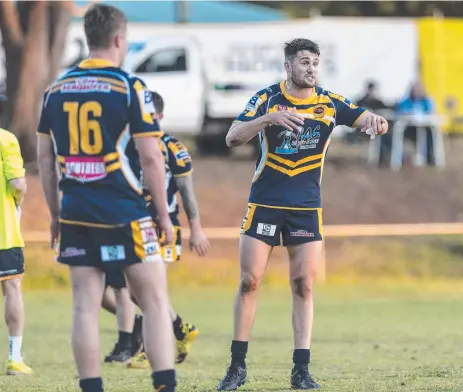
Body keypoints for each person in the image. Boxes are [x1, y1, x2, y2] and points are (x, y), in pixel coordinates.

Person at [216, 38, 387, 391]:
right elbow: (233, 137)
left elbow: (363, 116)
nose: (311, 69)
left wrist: (376, 121)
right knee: (249, 282)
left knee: (304, 285)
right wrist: (268, 119)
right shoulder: (267, 99)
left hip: (306, 207)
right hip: (265, 202)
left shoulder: (329, 102)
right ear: (288, 67)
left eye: (315, 63)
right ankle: (237, 367)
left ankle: (301, 370)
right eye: (304, 62)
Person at [37, 4, 177, 392]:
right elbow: (151, 157)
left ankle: (92, 387)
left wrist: (54, 214)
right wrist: (164, 215)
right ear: (119, 39)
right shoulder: (130, 87)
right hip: (125, 210)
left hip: (76, 212)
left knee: (84, 305)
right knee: (153, 301)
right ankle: (165, 384)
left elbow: (45, 159)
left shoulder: (56, 89)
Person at [102, 91, 210, 368]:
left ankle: (153, 350)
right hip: (131, 225)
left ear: (159, 116)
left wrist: (196, 228)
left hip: (163, 227)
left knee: (149, 290)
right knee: (134, 291)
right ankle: (179, 329)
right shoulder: (125, 145)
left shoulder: (173, 148)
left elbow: (187, 192)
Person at [0, 129, 32, 375]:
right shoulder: (6, 138)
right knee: (11, 289)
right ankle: (14, 358)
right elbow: (17, 184)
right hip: (4, 232)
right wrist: (18, 201)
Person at [396, 81, 437, 165]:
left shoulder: (426, 101)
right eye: (415, 89)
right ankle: (399, 158)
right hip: (409, 128)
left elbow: (431, 111)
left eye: (419, 89)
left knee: (431, 134)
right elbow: (400, 111)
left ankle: (429, 157)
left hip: (424, 127)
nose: (417, 91)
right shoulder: (406, 101)